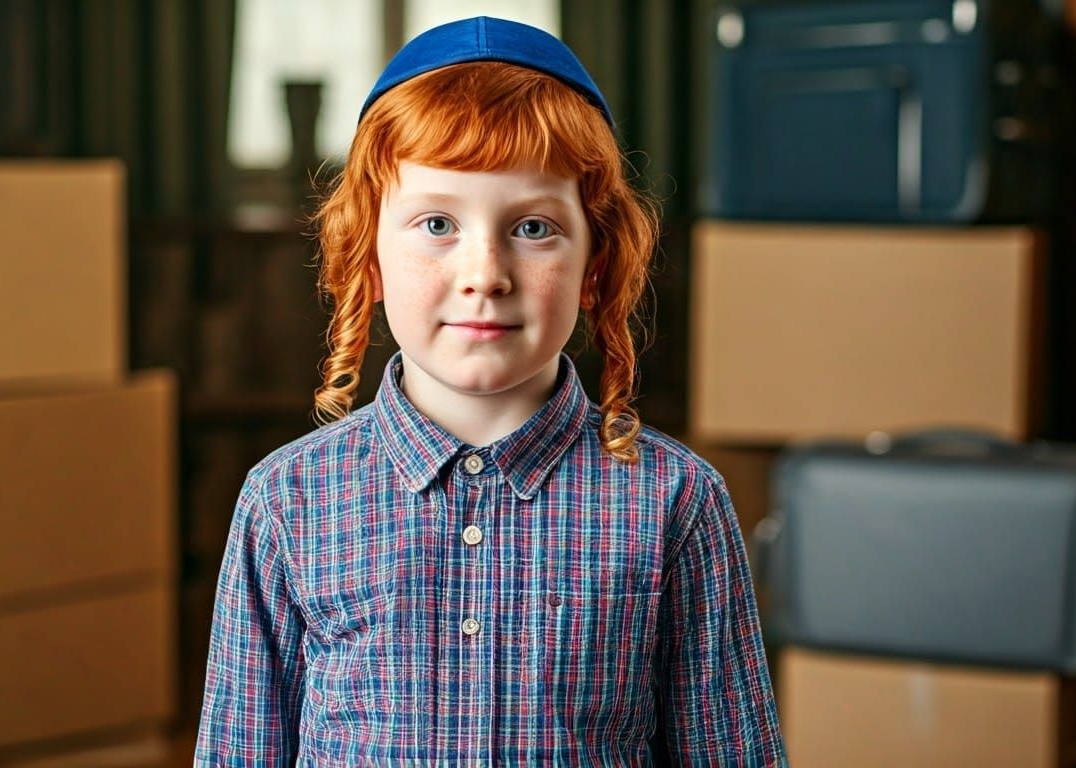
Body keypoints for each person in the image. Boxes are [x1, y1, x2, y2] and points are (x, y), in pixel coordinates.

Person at [196, 16, 785, 767]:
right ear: (368, 256)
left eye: (534, 227)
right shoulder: (286, 501)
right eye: (437, 222)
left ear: (596, 265)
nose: (485, 273)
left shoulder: (676, 502)